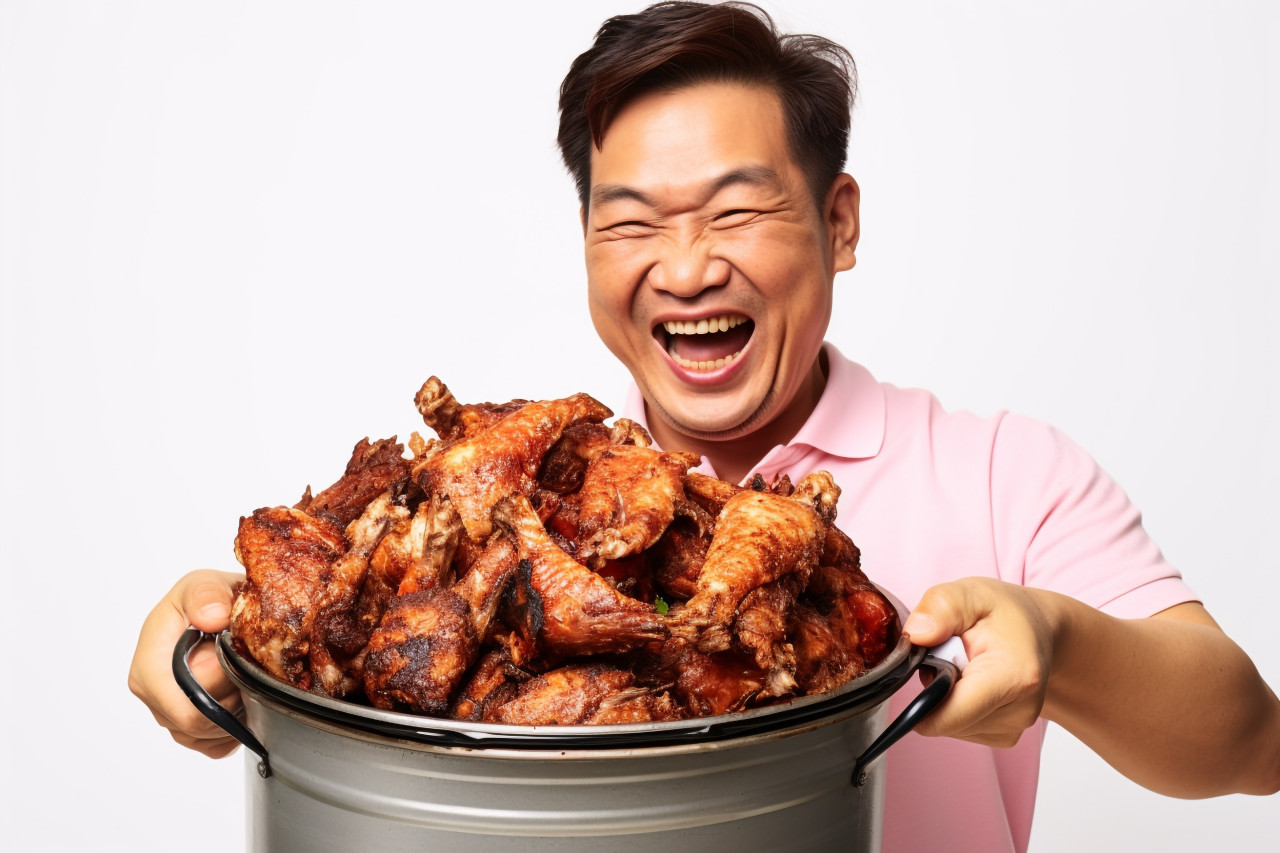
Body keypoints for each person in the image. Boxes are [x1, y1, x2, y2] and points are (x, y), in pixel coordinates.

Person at [128, 3, 1280, 850]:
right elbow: (350, 689)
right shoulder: (496, 481)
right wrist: (248, 647)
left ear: (837, 222)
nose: (685, 266)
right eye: (630, 222)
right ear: (584, 243)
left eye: (737, 209)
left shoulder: (1000, 474)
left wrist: (1057, 643)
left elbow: (1248, 744)